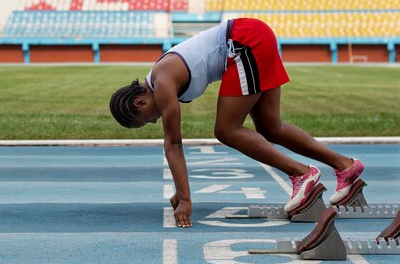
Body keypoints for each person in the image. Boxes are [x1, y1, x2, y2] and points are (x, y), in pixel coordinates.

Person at [109, 18, 364, 228]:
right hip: (252, 37)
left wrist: (186, 199)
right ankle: (345, 166)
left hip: (244, 42)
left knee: (226, 130)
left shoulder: (162, 83)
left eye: (145, 121)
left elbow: (173, 143)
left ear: (140, 102)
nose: (154, 122)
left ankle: (302, 174)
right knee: (270, 127)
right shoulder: (161, 76)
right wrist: (181, 190)